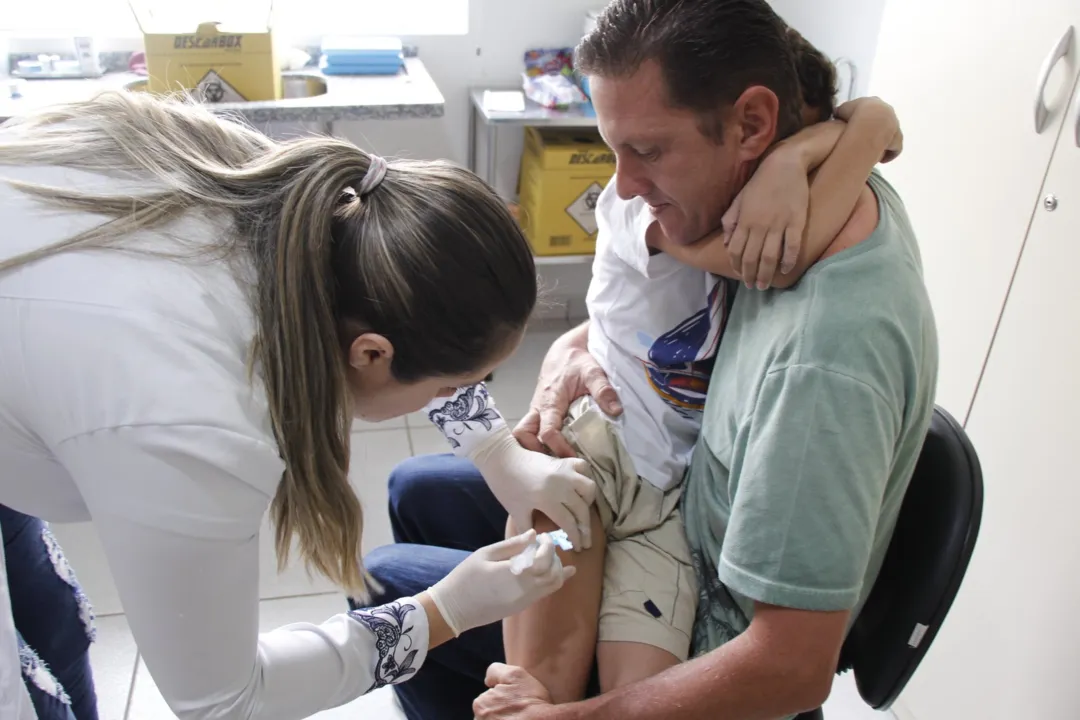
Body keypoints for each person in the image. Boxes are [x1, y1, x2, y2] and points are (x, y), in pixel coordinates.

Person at [363, 1, 937, 719]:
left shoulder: (819, 354)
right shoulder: (786, 193)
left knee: (386, 585)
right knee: (418, 487)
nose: (623, 187)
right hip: (650, 475)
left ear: (754, 126)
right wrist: (575, 350)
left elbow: (790, 665)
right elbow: (644, 308)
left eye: (650, 150)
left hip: (705, 622)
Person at [0, 90, 578, 720]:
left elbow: (419, 317)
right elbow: (222, 701)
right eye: (452, 386)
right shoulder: (197, 427)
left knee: (50, 630)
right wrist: (444, 612)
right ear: (371, 356)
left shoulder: (302, 207)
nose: (459, 397)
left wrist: (495, 450)